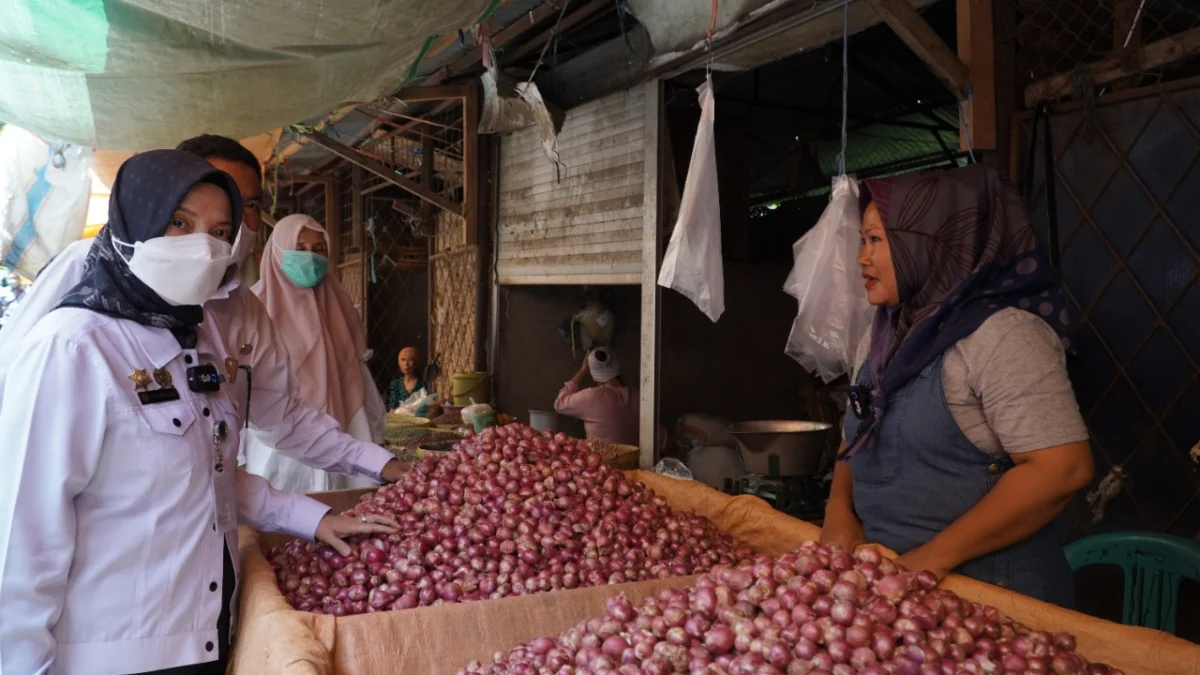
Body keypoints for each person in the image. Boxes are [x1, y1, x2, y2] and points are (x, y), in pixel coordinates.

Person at [0, 150, 398, 675]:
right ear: (132, 224)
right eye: (179, 223)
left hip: (205, 640)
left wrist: (313, 517)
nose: (202, 247)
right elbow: (19, 546)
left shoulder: (192, 345)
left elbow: (205, 478)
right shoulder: (73, 349)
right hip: (111, 654)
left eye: (220, 229)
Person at [0, 135, 408, 487]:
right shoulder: (81, 295)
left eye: (244, 207)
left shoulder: (241, 305)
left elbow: (280, 417)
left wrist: (381, 464)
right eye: (183, 219)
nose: (229, 222)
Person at [819, 165, 1094, 608]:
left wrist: (926, 561)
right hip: (894, 597)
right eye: (862, 241)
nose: (861, 258)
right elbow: (857, 426)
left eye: (875, 240)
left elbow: (1061, 470)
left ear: (932, 243)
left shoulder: (1002, 337)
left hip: (991, 605)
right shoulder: (885, 333)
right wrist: (838, 509)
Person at [246, 214, 388, 492]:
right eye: (299, 248)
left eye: (319, 249)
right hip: (276, 436)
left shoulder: (339, 303)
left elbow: (357, 371)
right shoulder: (252, 307)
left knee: (347, 507)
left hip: (345, 420)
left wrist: (375, 430)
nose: (310, 258)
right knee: (283, 515)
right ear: (278, 251)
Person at [554, 346, 639, 445]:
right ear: (617, 365)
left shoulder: (593, 396)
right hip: (635, 458)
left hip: (601, 459)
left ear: (593, 374)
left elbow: (560, 404)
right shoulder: (638, 396)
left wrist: (582, 371)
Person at [388, 346, 427, 410]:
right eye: (403, 360)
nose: (406, 364)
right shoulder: (395, 384)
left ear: (416, 363)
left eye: (410, 360)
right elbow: (392, 407)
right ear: (399, 363)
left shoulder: (422, 383)